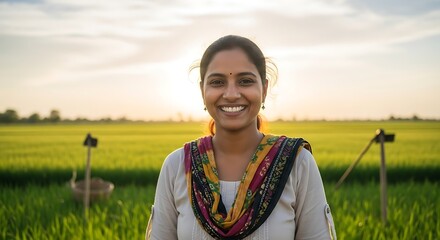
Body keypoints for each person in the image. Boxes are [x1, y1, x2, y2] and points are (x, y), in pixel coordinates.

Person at [146, 35, 336, 240]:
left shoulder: (297, 164)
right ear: (203, 91)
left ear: (263, 89)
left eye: (245, 81)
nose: (231, 94)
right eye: (217, 82)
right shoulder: (178, 166)